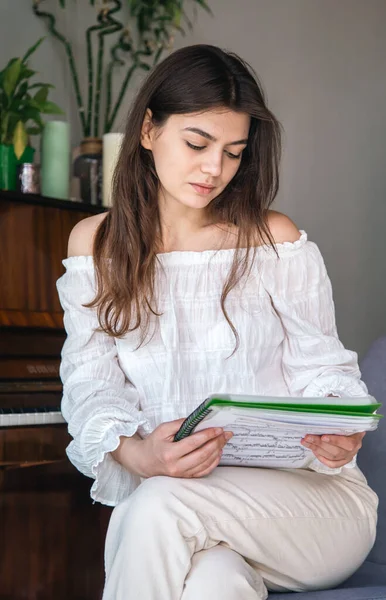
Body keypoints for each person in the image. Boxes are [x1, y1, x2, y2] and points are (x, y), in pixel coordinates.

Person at [56, 44, 378, 600]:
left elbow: (326, 369)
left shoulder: (273, 239)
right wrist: (138, 454)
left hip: (311, 509)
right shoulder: (95, 245)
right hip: (200, 518)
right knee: (213, 584)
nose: (214, 169)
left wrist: (339, 428)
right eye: (198, 144)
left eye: (233, 152)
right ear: (149, 130)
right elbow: (90, 386)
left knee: (154, 502)